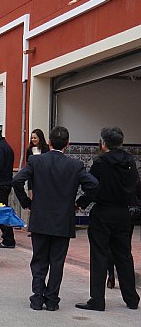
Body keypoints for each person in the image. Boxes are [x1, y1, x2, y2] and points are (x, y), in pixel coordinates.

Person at [13, 126, 99, 311]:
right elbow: (93, 185)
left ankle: (37, 297)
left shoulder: (36, 161)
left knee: (39, 259)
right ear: (67, 144)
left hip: (40, 217)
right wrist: (79, 203)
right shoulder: (75, 165)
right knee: (57, 261)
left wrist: (27, 202)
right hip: (63, 219)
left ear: (49, 143)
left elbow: (17, 180)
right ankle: (52, 299)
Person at [75, 126, 140, 311]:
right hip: (123, 213)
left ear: (103, 144)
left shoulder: (100, 163)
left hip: (103, 212)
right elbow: (135, 185)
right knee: (124, 255)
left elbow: (92, 187)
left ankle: (97, 299)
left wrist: (81, 203)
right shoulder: (130, 162)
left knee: (99, 254)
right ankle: (131, 298)